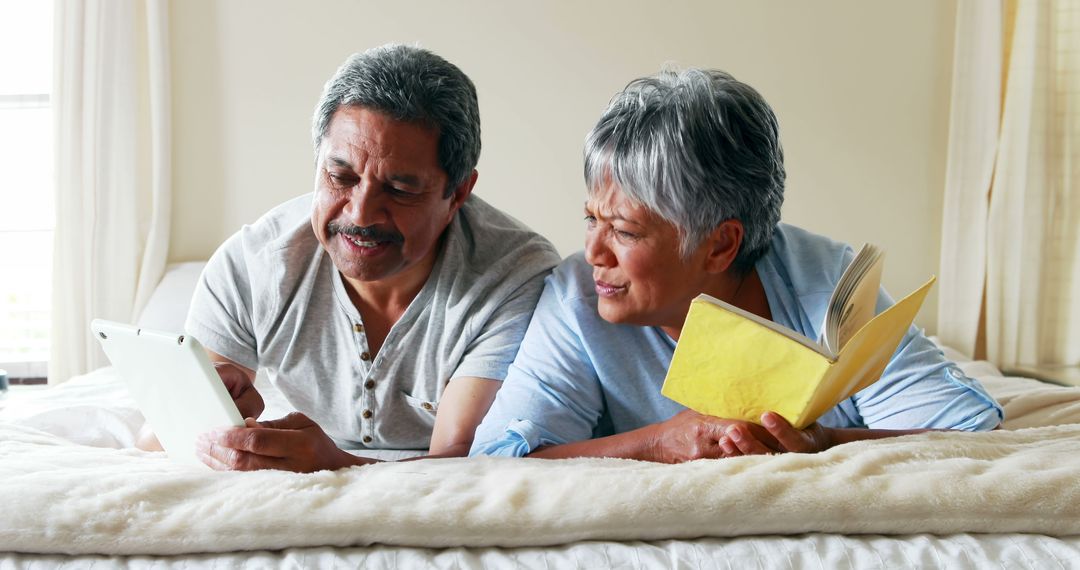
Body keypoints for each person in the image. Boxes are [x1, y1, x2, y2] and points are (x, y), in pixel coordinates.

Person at [470, 68, 1003, 462]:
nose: (594, 252)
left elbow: (966, 435)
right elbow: (498, 460)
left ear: (721, 245)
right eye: (591, 219)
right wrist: (659, 442)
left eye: (625, 231)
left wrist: (825, 443)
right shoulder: (578, 296)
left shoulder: (826, 282)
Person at [181, 44, 560, 472]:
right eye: (340, 177)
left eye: (400, 190)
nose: (360, 214)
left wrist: (338, 465)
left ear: (457, 194)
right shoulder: (255, 264)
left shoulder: (512, 275)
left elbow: (462, 464)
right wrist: (213, 413)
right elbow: (158, 435)